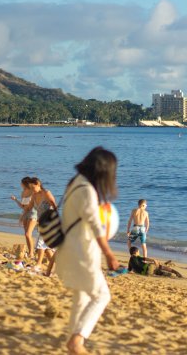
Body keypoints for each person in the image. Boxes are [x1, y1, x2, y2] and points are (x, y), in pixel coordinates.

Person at [55, 147, 120, 355]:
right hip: (81, 253)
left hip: (68, 251)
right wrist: (109, 254)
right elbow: (96, 225)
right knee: (102, 296)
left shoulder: (75, 183)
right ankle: (77, 340)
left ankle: (72, 343)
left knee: (82, 296)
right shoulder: (87, 191)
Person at [30, 178, 57, 269]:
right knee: (47, 248)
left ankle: (39, 263)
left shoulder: (46, 193)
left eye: (33, 187)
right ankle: (56, 266)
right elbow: (30, 206)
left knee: (41, 243)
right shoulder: (34, 195)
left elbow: (54, 204)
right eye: (30, 188)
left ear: (38, 184)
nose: (32, 190)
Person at [10, 177, 37, 259]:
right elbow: (22, 206)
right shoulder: (23, 193)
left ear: (25, 183)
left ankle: (31, 253)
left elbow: (33, 205)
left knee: (28, 234)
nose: (20, 184)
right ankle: (30, 252)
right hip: (25, 213)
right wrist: (15, 200)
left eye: (21, 183)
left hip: (33, 213)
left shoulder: (33, 192)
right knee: (26, 235)